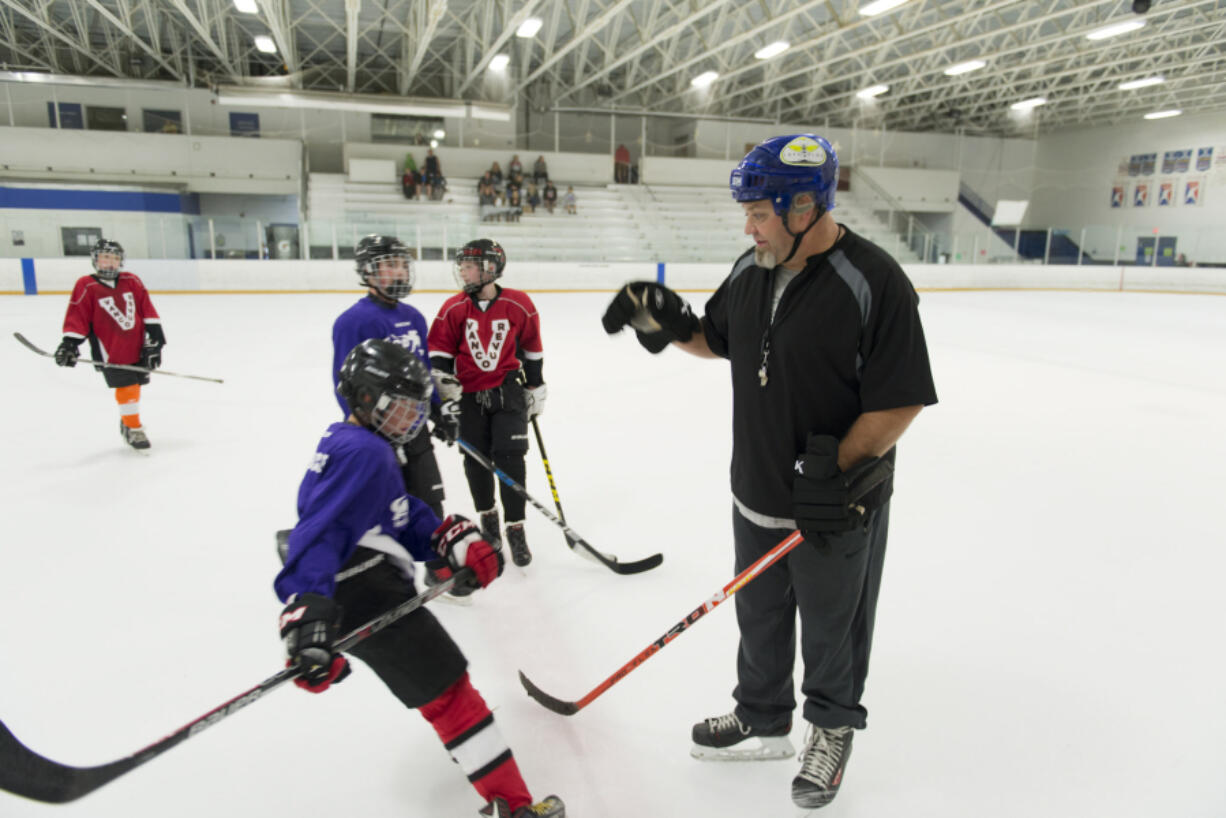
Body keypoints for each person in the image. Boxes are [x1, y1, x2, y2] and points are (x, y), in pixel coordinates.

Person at [600, 134, 937, 810]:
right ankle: (760, 711)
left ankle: (832, 725)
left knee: (831, 623)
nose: (747, 226)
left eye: (759, 213)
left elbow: (899, 399)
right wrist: (664, 321)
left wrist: (833, 474)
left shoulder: (874, 281)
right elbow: (717, 340)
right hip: (755, 489)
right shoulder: (753, 266)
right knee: (758, 614)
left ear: (804, 206)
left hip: (837, 503)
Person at [275, 338, 565, 818]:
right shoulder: (364, 453)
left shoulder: (360, 443)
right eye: (400, 408)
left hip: (366, 582)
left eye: (416, 408)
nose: (412, 420)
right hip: (363, 589)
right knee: (450, 695)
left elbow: (390, 511)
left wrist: (445, 536)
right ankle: (512, 808)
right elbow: (318, 532)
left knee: (444, 693)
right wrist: (307, 606)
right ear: (364, 399)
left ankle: (505, 801)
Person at [428, 240, 546, 568]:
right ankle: (488, 519)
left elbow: (532, 347)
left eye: (469, 266)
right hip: (467, 395)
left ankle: (516, 528)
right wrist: (445, 398)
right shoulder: (453, 308)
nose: (462, 272)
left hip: (508, 391)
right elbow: (439, 356)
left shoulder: (519, 304)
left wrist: (536, 385)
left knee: (511, 459)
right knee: (476, 460)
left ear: (490, 268)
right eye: (461, 266)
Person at [332, 235, 455, 522]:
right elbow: (346, 387)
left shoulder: (414, 317)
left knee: (430, 506)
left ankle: (438, 568)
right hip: (379, 434)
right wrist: (367, 438)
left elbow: (423, 373)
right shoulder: (353, 322)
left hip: (415, 428)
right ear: (368, 271)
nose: (399, 271)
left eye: (402, 264)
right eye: (390, 264)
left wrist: (439, 410)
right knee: (387, 514)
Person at [53, 238, 166, 450]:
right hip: (110, 351)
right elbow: (78, 316)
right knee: (128, 387)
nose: (110, 262)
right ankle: (133, 428)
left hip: (137, 346)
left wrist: (157, 341)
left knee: (135, 386)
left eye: (115, 258)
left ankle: (127, 420)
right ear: (96, 260)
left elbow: (147, 309)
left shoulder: (132, 280)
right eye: (105, 257)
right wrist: (70, 344)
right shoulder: (86, 285)